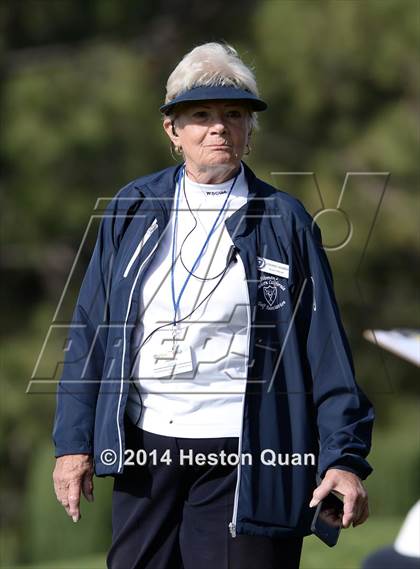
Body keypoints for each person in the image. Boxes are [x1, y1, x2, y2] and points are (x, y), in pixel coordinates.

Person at [52, 42, 374, 569]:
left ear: (250, 130)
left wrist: (343, 458)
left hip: (245, 452)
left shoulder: (286, 220)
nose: (218, 128)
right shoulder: (131, 207)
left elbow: (327, 351)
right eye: (200, 115)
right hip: (145, 449)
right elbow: (90, 330)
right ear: (172, 131)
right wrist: (72, 442)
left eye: (234, 115)